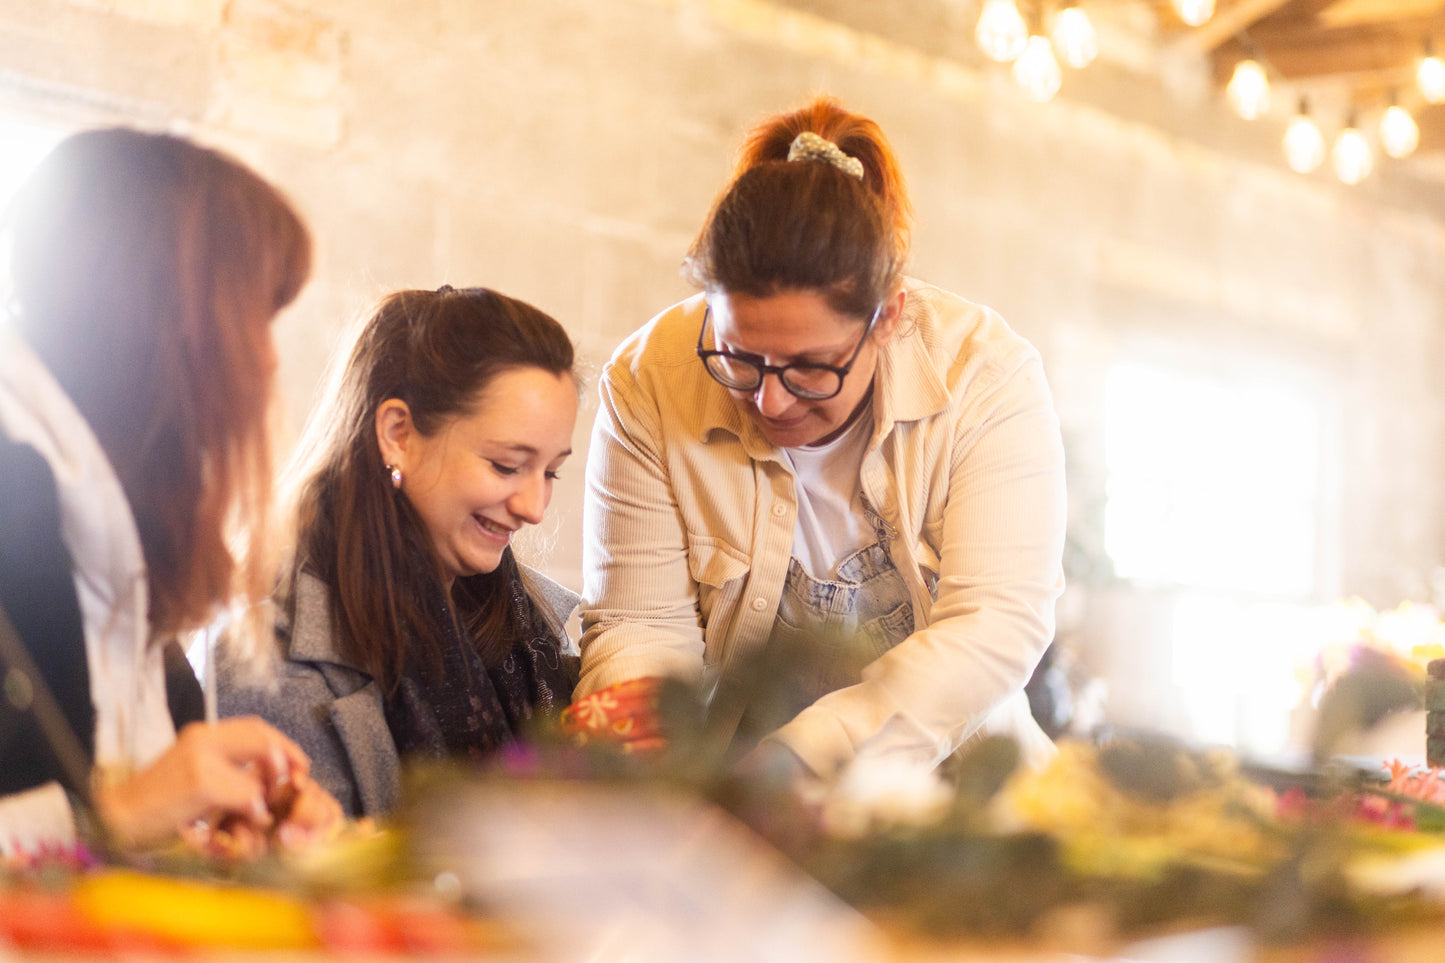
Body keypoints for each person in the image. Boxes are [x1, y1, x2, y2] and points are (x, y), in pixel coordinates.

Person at [575, 97, 1067, 782]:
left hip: (953, 799)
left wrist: (803, 755)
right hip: (727, 789)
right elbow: (641, 623)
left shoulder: (983, 376)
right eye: (739, 358)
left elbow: (992, 624)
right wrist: (644, 762)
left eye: (810, 368)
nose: (769, 400)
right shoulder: (650, 378)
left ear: (888, 315)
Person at [0, 127, 342, 855]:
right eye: (255, 317)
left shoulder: (123, 535)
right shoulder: (17, 496)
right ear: (167, 325)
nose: (269, 356)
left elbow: (160, 802)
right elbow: (112, 812)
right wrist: (110, 820)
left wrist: (229, 815)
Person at [219, 286, 581, 818]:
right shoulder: (269, 658)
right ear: (398, 434)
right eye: (507, 466)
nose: (534, 509)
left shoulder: (527, 622)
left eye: (550, 473)